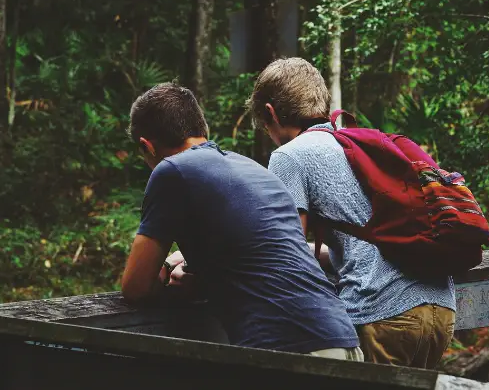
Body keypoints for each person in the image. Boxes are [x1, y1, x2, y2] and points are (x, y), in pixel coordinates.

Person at [121, 82, 362, 360]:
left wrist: (164, 273)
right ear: (202, 129)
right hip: (342, 338)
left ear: (147, 146)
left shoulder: (171, 171)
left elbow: (135, 287)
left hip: (289, 347)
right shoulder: (252, 169)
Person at [246, 57, 456, 368]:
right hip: (441, 309)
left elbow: (285, 253)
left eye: (265, 126)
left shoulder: (288, 156)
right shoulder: (356, 145)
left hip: (382, 312)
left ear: (271, 113)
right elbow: (364, 243)